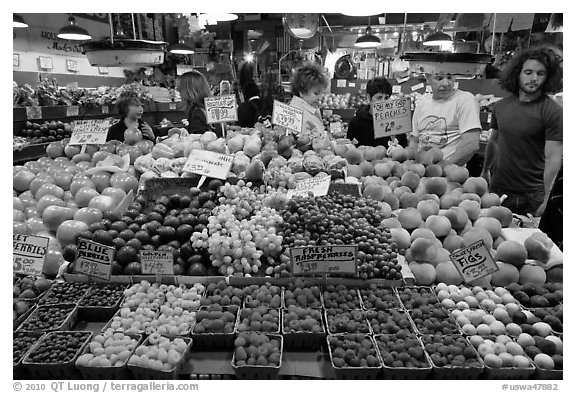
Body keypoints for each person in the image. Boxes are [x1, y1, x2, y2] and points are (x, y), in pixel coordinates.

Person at [481, 46, 563, 217]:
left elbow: (553, 158)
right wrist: (485, 170)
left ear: (548, 77)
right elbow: (494, 140)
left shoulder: (552, 111)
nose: (534, 78)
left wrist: (546, 198)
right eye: (528, 72)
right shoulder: (501, 107)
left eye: (540, 74)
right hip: (498, 189)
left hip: (532, 195)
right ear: (517, 73)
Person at [410, 71, 481, 165]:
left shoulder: (465, 100)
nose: (446, 83)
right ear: (427, 78)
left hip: (448, 175)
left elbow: (471, 143)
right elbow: (414, 141)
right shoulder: (422, 105)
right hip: (421, 172)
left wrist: (444, 169)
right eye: (439, 78)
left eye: (449, 77)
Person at [346, 77, 407, 147]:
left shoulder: (396, 123)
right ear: (369, 98)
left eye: (386, 98)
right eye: (379, 98)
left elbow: (403, 149)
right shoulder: (356, 122)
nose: (383, 102)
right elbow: (349, 150)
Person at [289, 62, 329, 135]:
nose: (320, 97)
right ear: (301, 91)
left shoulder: (309, 107)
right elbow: (302, 143)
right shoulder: (297, 115)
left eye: (321, 93)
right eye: (316, 93)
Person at [176, 70, 214, 135]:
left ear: (189, 90)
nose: (178, 92)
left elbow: (198, 139)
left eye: (180, 89)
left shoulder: (197, 112)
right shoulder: (209, 106)